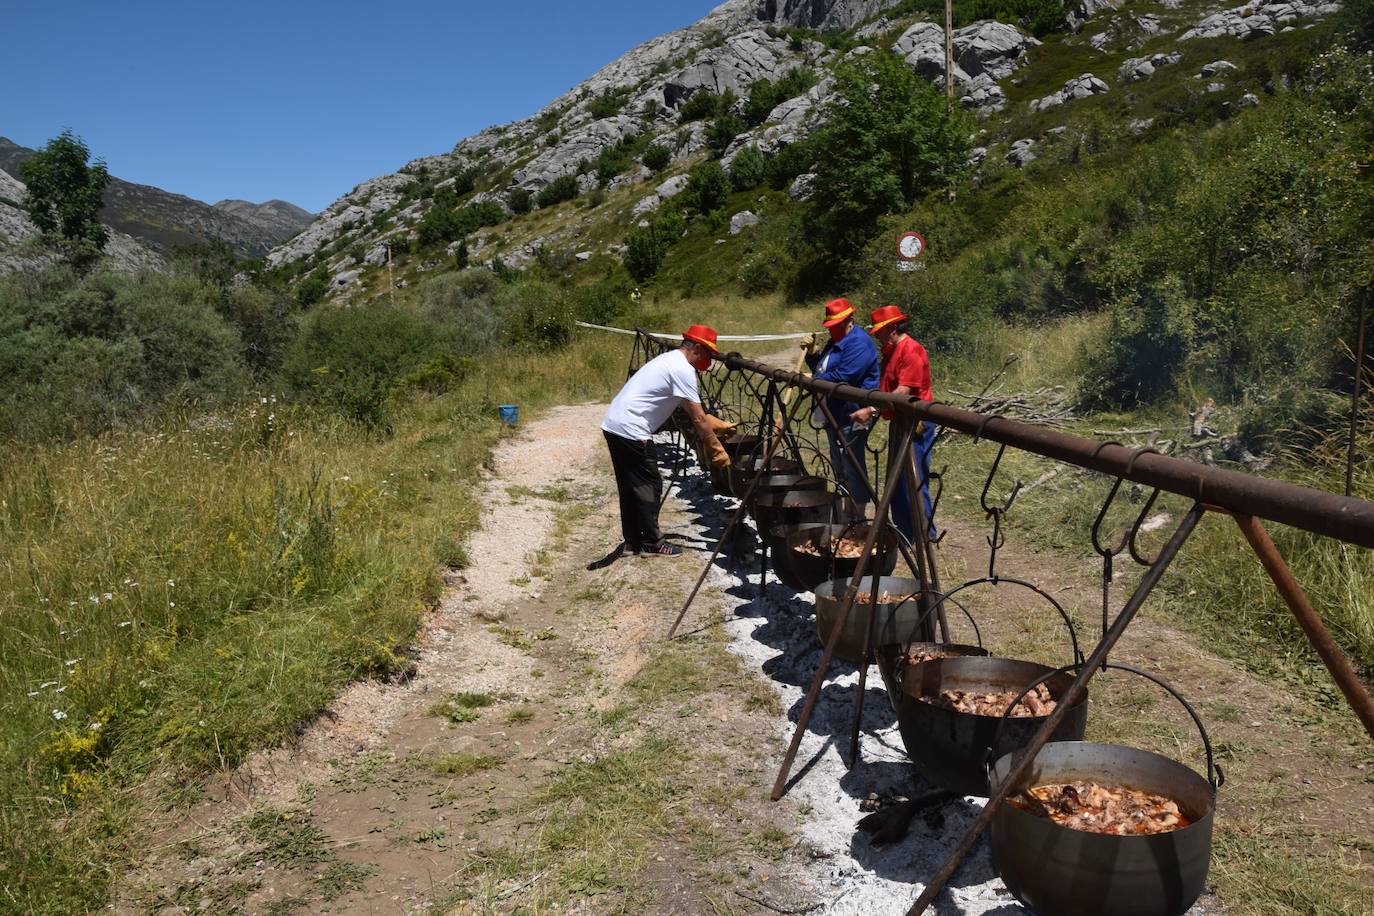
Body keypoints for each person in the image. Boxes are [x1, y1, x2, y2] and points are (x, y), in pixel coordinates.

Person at [599, 325, 730, 559]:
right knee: (649, 485)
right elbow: (697, 417)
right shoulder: (683, 370)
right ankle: (652, 542)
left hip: (614, 424)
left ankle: (632, 542)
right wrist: (715, 448)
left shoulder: (669, 359)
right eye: (709, 354)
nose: (709, 360)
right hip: (632, 429)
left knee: (629, 487)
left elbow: (685, 405)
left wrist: (713, 421)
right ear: (698, 348)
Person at [849, 305, 937, 542]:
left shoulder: (912, 350)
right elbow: (886, 388)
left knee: (914, 481)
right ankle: (904, 534)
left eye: (879, 331)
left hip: (916, 424)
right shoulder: (891, 350)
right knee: (897, 482)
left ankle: (925, 538)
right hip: (899, 421)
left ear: (893, 328)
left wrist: (873, 409)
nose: (876, 336)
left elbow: (902, 392)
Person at [802, 298, 880, 521]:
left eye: (837, 325)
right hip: (834, 412)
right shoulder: (837, 340)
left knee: (853, 462)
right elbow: (823, 369)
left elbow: (845, 376)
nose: (833, 330)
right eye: (831, 326)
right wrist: (812, 354)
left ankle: (858, 515)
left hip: (855, 412)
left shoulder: (859, 343)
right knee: (839, 461)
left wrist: (813, 379)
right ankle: (846, 511)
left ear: (850, 321)